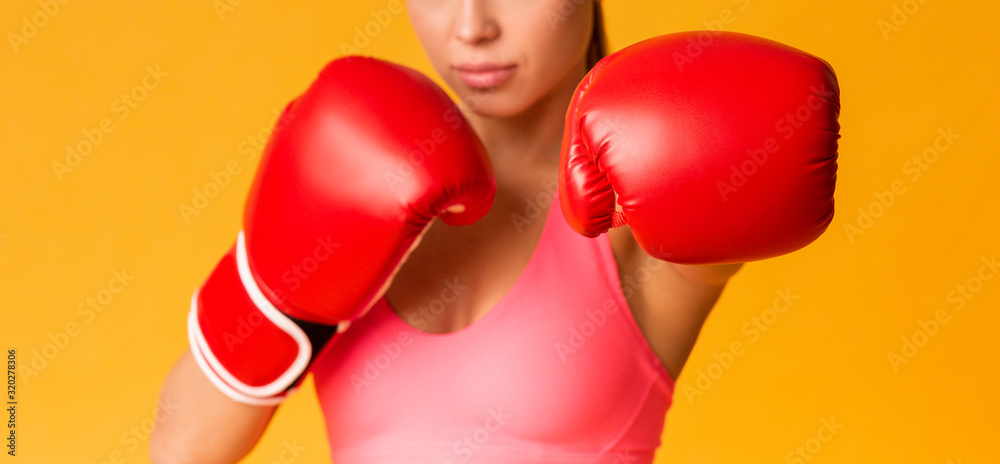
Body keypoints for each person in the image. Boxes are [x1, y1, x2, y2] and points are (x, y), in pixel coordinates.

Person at [151, 1, 839, 462]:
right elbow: (180, 451)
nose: (472, 25)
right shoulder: (358, 158)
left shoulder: (637, 203)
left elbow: (764, 131)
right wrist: (278, 290)